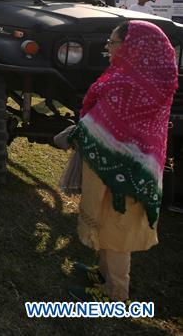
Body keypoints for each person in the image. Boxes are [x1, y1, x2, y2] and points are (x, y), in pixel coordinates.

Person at [62, 20, 176, 303]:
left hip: (127, 174)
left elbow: (104, 126)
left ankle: (115, 295)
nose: (108, 49)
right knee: (105, 219)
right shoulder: (143, 79)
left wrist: (76, 133)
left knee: (117, 230)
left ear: (132, 48)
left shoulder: (130, 85)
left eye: (113, 43)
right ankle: (101, 273)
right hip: (124, 169)